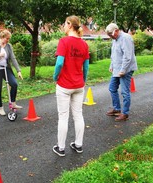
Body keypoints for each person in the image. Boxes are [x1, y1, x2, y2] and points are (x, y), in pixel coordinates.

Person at [52, 15, 90, 157]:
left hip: (64, 85)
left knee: (63, 116)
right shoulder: (84, 44)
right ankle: (78, 145)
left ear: (69, 24)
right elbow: (86, 67)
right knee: (78, 115)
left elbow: (60, 63)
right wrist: (83, 80)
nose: (63, 26)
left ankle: (60, 148)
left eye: (64, 23)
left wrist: (55, 77)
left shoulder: (64, 41)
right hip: (79, 85)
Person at [105, 23, 138, 121]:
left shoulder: (126, 38)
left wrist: (123, 70)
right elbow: (114, 54)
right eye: (109, 35)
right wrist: (112, 65)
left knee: (125, 92)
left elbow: (127, 56)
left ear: (116, 30)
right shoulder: (115, 40)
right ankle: (117, 109)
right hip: (117, 69)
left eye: (111, 34)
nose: (110, 37)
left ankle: (125, 113)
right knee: (112, 88)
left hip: (126, 69)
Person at [0, 29, 23, 116]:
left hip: (6, 68)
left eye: (9, 39)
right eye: (7, 38)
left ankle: (13, 103)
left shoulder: (8, 46)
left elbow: (13, 58)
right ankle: (0, 108)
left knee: (14, 84)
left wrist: (18, 71)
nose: (8, 40)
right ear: (2, 37)